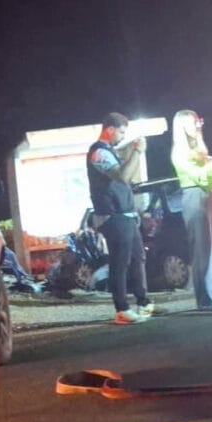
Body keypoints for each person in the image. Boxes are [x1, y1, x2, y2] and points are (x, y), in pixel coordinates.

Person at [87, 112, 153, 324]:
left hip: (125, 214)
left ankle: (143, 302)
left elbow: (123, 164)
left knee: (137, 258)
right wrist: (138, 152)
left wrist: (132, 148)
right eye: (121, 132)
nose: (122, 137)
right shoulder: (98, 153)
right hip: (113, 215)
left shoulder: (110, 151)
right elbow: (123, 176)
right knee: (120, 262)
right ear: (110, 129)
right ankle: (122, 309)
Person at [170, 109, 212, 311]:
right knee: (202, 249)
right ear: (181, 127)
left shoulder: (197, 148)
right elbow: (200, 176)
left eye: (198, 121)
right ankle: (205, 300)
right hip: (195, 195)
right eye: (192, 123)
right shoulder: (179, 152)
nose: (198, 126)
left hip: (211, 194)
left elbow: (208, 174)